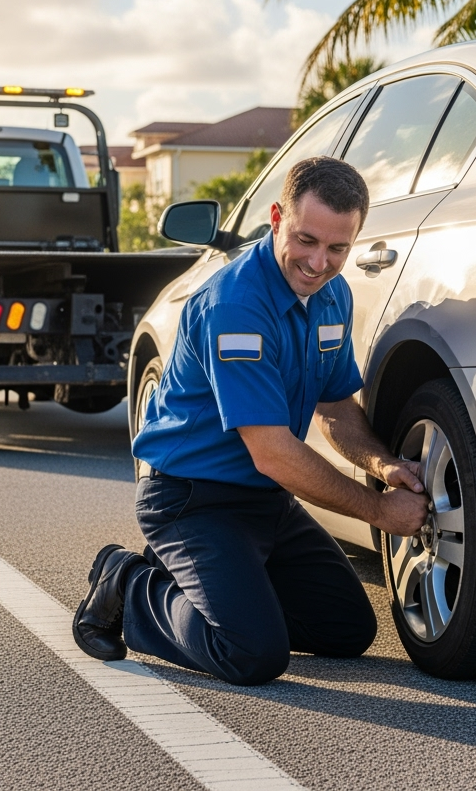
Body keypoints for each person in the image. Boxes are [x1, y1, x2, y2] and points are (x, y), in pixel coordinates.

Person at [72, 156, 429, 685]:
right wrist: (378, 510)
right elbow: (273, 452)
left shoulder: (332, 295)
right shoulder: (236, 305)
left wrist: (383, 464)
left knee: (346, 629)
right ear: (277, 217)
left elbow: (334, 406)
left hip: (265, 501)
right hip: (191, 498)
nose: (319, 263)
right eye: (306, 240)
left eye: (337, 248)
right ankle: (127, 583)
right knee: (250, 654)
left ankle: (220, 591)